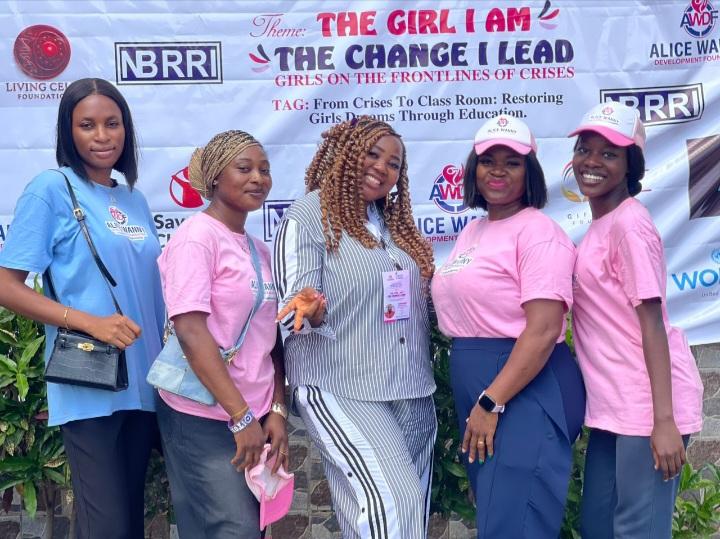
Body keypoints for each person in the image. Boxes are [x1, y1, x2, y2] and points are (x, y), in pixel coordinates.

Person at [0, 78, 164, 538]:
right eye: (87, 125)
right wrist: (89, 322)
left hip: (145, 382)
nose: (102, 136)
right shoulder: (51, 189)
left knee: (129, 524)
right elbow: (6, 286)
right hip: (90, 382)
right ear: (67, 132)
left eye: (113, 124)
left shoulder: (133, 199)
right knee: (106, 527)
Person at [273, 116, 436, 538]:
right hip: (341, 383)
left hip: (410, 387)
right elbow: (294, 309)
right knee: (394, 504)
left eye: (394, 164)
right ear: (346, 153)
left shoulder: (394, 225)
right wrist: (312, 311)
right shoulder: (309, 216)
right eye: (372, 154)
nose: (382, 168)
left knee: (393, 515)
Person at [431, 114, 586, 538]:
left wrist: (490, 403)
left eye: (512, 162)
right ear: (473, 169)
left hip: (524, 387)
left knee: (515, 525)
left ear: (530, 172)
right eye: (487, 161)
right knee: (500, 520)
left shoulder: (539, 233)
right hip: (480, 385)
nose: (497, 171)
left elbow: (544, 330)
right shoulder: (474, 231)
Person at [568, 103, 703, 539]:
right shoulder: (602, 225)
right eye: (585, 150)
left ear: (631, 165)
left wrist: (663, 421)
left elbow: (653, 324)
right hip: (613, 408)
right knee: (598, 527)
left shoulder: (630, 225)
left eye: (609, 154)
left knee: (637, 530)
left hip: (647, 407)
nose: (592, 161)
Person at [155, 130, 288, 538]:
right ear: (214, 177)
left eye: (264, 170)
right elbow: (190, 330)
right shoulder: (196, 238)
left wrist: (276, 410)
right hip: (203, 414)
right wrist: (240, 416)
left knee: (252, 528)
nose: (258, 178)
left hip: (254, 413)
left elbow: (271, 338)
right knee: (234, 529)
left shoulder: (259, 249)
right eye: (244, 168)